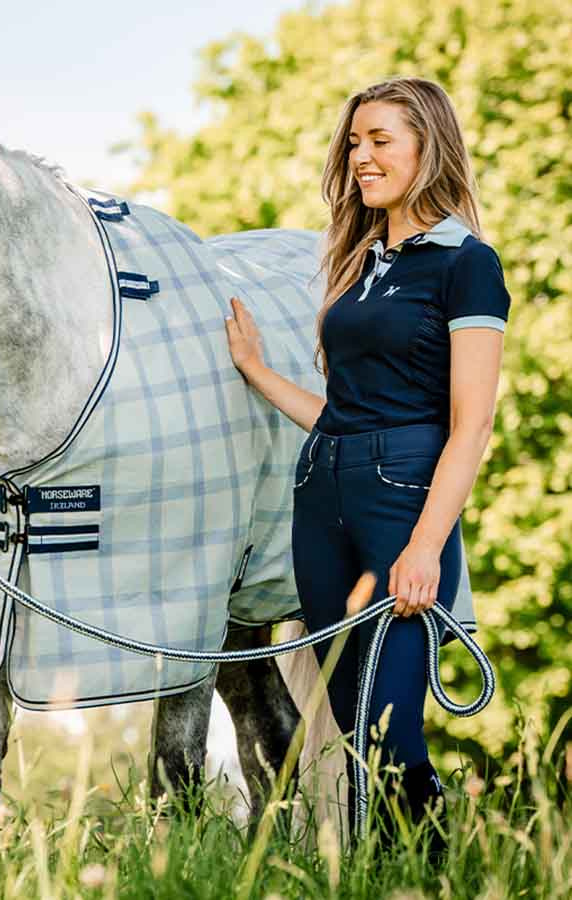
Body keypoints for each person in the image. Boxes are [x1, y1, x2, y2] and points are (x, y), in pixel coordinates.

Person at [225, 77, 510, 847]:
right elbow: (343, 413)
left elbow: (472, 422)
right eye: (355, 142)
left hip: (403, 504)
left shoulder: (466, 263)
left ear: (428, 146)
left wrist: (425, 547)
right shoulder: (359, 260)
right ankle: (389, 874)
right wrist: (258, 371)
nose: (362, 157)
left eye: (381, 140)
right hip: (321, 495)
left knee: (391, 737)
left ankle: (432, 871)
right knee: (354, 734)